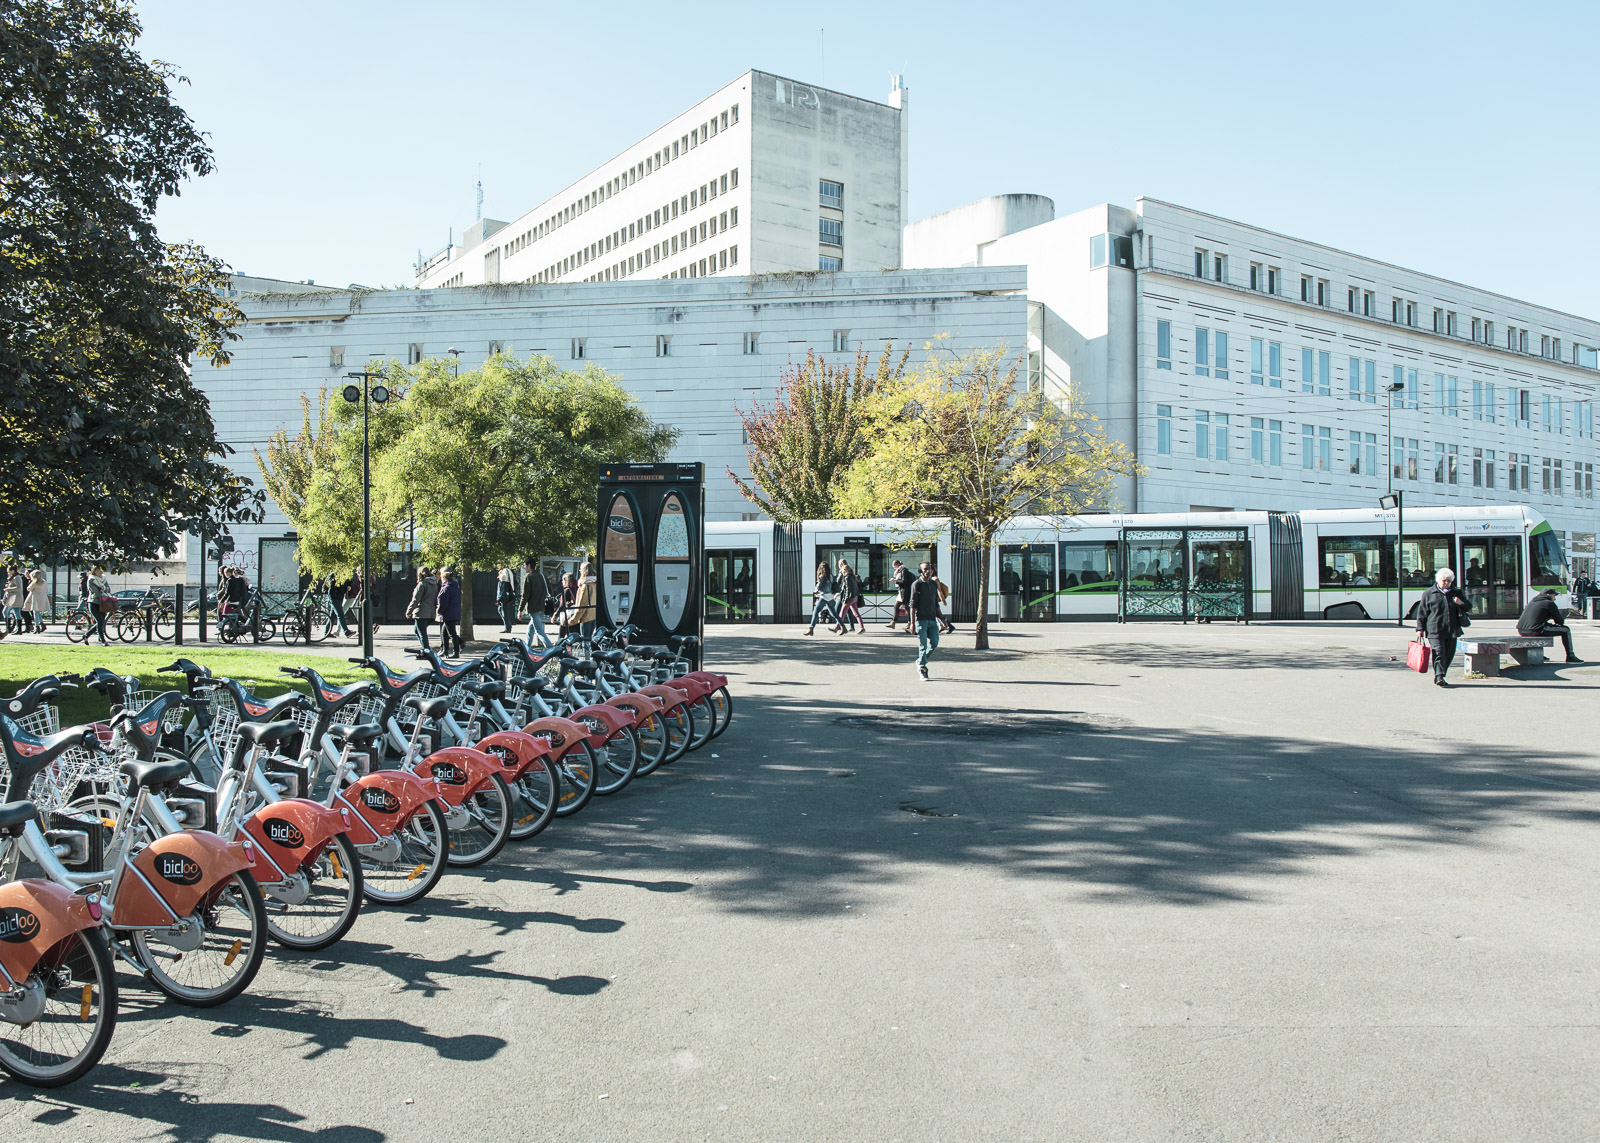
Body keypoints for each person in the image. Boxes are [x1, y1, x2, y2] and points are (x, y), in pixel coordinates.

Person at [1414, 567, 1471, 687]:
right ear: (1438, 580)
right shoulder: (1429, 593)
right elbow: (1422, 612)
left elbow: (1468, 607)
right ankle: (1439, 676)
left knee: (1449, 654)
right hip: (1435, 630)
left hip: (1452, 630)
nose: (1446, 583)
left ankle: (1441, 673)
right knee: (1439, 653)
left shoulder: (1456, 593)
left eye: (1449, 581)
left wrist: (1460, 603)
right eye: (1444, 580)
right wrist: (1420, 628)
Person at [1517, 588, 1582, 663]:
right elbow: (1559, 621)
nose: (1554, 599)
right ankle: (1570, 656)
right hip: (1535, 630)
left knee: (1545, 627)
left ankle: (1539, 655)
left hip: (1521, 631)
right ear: (1548, 595)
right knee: (1565, 630)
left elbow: (1536, 620)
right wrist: (1555, 623)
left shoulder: (1532, 602)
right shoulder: (1549, 603)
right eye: (1554, 596)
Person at [910, 561, 944, 681]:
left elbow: (935, 603)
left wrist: (943, 619)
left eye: (929, 569)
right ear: (920, 571)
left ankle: (920, 660)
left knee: (934, 643)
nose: (927, 571)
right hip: (921, 620)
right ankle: (923, 669)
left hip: (932, 619)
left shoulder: (934, 584)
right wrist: (912, 623)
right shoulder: (917, 584)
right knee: (923, 645)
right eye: (925, 569)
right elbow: (912, 605)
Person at [520, 558, 552, 648]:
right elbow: (550, 590)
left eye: (525, 566)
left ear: (529, 566)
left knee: (539, 631)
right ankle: (526, 647)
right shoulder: (542, 576)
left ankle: (551, 648)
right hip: (542, 606)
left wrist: (520, 610)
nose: (524, 568)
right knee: (530, 629)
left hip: (533, 607)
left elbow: (525, 596)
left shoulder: (529, 577)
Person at [406, 566, 438, 650]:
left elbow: (416, 600)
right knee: (418, 630)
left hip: (421, 612)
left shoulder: (422, 584)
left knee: (421, 632)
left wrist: (409, 611)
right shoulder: (434, 584)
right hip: (430, 612)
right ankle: (425, 649)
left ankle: (426, 650)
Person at [805, 561, 837, 635]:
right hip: (830, 596)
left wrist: (816, 591)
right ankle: (842, 626)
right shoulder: (831, 575)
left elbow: (819, 586)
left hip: (824, 596)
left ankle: (811, 629)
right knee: (834, 613)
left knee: (815, 611)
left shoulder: (822, 576)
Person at [437, 566, 462, 656]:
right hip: (454, 612)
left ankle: (455, 652)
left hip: (448, 613)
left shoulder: (446, 588)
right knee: (445, 632)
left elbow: (443, 602)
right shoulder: (455, 587)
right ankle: (445, 650)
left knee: (451, 634)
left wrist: (439, 611)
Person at [832, 559, 862, 635]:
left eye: (842, 571)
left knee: (842, 613)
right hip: (854, 597)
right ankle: (862, 627)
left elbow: (847, 589)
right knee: (856, 613)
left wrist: (845, 599)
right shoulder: (853, 576)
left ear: (844, 570)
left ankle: (836, 628)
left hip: (849, 598)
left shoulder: (847, 578)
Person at [86, 565, 112, 646]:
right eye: (99, 570)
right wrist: (102, 590)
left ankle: (86, 635)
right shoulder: (91, 580)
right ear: (94, 571)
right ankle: (103, 641)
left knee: (101, 622)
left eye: (101, 570)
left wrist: (103, 588)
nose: (101, 572)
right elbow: (96, 593)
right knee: (100, 621)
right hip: (93, 603)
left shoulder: (103, 579)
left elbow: (108, 589)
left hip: (103, 603)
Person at [572, 561, 598, 644]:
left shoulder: (585, 585)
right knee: (590, 638)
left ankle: (586, 656)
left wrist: (573, 619)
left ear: (583, 571)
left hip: (586, 615)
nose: (579, 571)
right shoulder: (595, 583)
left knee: (584, 639)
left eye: (580, 570)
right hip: (594, 614)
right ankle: (591, 654)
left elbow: (581, 605)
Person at [887, 559, 914, 632]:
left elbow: (904, 581)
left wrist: (895, 580)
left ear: (898, 565)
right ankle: (893, 622)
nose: (894, 568)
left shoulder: (903, 571)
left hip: (905, 592)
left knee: (906, 607)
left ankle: (910, 622)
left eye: (894, 566)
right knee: (897, 606)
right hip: (901, 592)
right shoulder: (900, 571)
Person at [25, 568, 49, 633]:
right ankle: (42, 624)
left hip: (36, 598)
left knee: (35, 612)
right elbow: (47, 590)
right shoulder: (44, 582)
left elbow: (28, 588)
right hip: (43, 598)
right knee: (38, 612)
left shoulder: (34, 583)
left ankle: (37, 626)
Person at [2, 564, 23, 633]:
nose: (8, 573)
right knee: (6, 612)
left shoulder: (17, 577)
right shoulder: (13, 578)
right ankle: (9, 628)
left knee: (16, 613)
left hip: (15, 598)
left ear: (12, 571)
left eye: (9, 571)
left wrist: (8, 589)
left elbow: (18, 587)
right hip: (11, 598)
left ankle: (18, 629)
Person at [495, 568, 517, 633]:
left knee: (504, 612)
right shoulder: (508, 583)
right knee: (502, 611)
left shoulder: (503, 582)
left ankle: (508, 627)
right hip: (506, 598)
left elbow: (501, 591)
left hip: (504, 599)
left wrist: (499, 599)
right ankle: (508, 626)